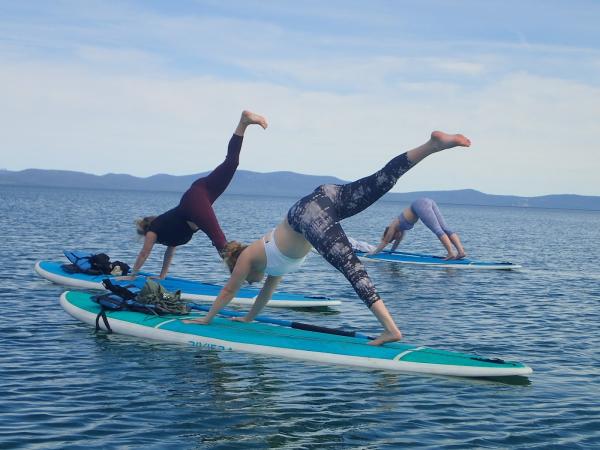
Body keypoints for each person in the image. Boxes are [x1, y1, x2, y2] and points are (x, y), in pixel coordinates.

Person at [184, 131, 471, 345]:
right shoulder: (273, 269)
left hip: (309, 213)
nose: (250, 282)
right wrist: (248, 318)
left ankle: (391, 330)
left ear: (241, 269)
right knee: (380, 180)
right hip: (326, 195)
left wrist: (207, 319)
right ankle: (432, 145)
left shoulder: (249, 257)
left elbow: (227, 292)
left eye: (246, 278)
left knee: (352, 268)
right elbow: (265, 296)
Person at [120, 110, 268, 280]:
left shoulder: (154, 230)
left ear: (146, 230)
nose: (146, 240)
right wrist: (162, 276)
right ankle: (243, 122)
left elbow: (144, 253)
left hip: (194, 200)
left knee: (223, 247)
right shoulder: (169, 233)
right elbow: (168, 255)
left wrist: (132, 276)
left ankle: (251, 273)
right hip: (201, 190)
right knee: (232, 162)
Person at [368, 198, 466, 260]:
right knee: (445, 228)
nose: (396, 239)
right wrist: (391, 252)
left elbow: (385, 242)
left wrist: (373, 253)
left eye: (393, 238)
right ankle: (461, 252)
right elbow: (396, 243)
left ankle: (450, 253)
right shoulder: (400, 230)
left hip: (420, 205)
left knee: (438, 230)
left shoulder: (393, 227)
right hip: (427, 201)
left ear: (392, 234)